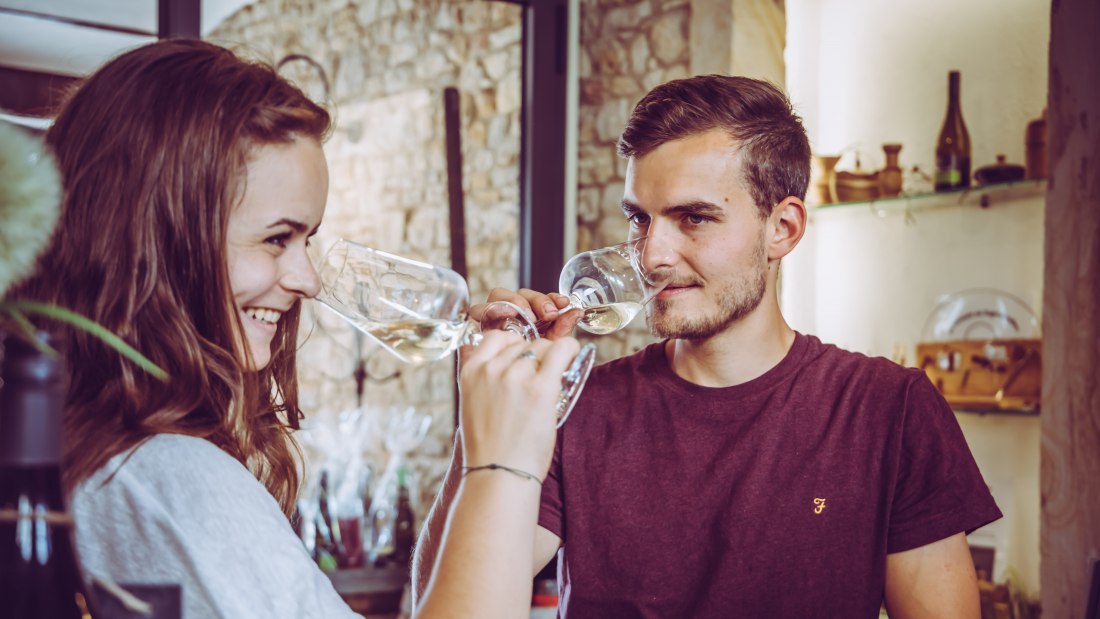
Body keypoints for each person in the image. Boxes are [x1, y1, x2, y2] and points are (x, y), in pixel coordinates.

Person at [10, 38, 579, 618]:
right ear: (157, 238)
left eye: (306, 240)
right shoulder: (166, 475)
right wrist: (501, 463)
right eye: (276, 238)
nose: (307, 279)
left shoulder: (86, 451)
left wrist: (475, 451)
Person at [414, 75, 1003, 618]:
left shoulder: (887, 410)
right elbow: (436, 602)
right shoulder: (577, 407)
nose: (651, 256)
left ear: (784, 229)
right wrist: (489, 415)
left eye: (693, 218)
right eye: (640, 219)